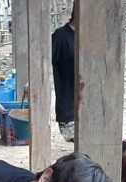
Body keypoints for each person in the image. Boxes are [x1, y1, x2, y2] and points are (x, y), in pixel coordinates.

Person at [51, 11, 75, 142]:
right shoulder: (60, 36)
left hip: (90, 106)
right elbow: (43, 60)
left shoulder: (91, 35)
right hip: (68, 109)